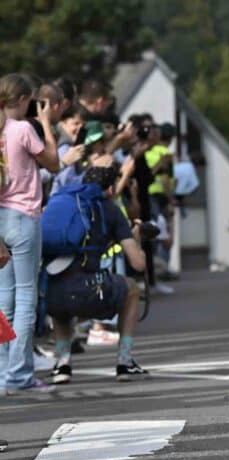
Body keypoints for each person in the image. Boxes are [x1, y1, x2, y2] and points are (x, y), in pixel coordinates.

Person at [46, 165, 148, 384]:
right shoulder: (110, 209)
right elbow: (138, 264)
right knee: (131, 288)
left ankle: (62, 364)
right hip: (91, 290)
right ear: (110, 189)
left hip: (54, 295)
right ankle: (125, 360)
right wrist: (136, 237)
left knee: (61, 290)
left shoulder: (66, 203)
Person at [0, 73, 59, 394]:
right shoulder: (22, 129)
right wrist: (46, 122)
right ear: (23, 100)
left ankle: (2, 372)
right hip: (23, 218)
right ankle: (20, 374)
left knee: (3, 301)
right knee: (25, 298)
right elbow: (53, 163)